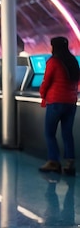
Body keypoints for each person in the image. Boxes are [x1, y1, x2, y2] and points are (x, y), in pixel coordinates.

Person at [39, 36, 79, 175]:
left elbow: (46, 81)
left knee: (50, 133)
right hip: (71, 102)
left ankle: (53, 162)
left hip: (56, 102)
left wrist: (42, 94)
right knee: (67, 133)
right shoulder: (73, 60)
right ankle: (70, 163)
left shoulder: (53, 61)